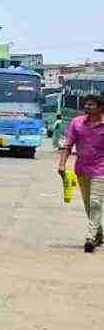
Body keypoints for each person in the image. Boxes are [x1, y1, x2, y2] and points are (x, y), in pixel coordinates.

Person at [57, 93, 104, 252]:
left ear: (100, 108)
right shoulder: (77, 123)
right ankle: (98, 232)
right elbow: (67, 144)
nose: (87, 107)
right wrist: (62, 164)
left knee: (96, 202)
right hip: (82, 168)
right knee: (88, 203)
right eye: (86, 104)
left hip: (101, 169)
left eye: (91, 105)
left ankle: (90, 237)